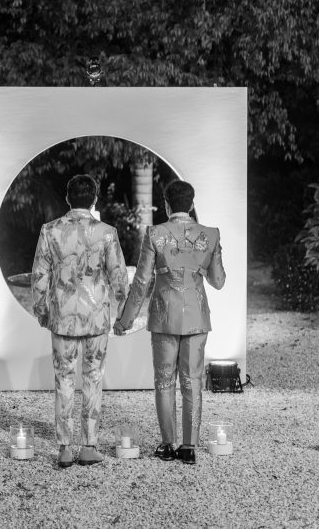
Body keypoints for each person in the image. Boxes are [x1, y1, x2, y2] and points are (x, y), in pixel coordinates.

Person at [113, 180, 225, 465]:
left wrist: (125, 321)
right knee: (193, 381)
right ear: (191, 204)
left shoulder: (156, 234)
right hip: (197, 318)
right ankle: (189, 447)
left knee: (164, 382)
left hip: (163, 317)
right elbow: (219, 281)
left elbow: (141, 283)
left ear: (166, 204)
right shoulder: (210, 235)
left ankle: (168, 444)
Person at [32, 174, 129, 468]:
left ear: (67, 198)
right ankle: (89, 445)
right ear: (94, 199)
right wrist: (122, 309)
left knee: (63, 378)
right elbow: (120, 280)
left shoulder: (50, 231)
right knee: (94, 378)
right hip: (96, 316)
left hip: (62, 315)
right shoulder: (107, 232)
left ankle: (64, 447)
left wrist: (41, 310)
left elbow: (39, 276)